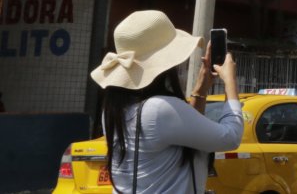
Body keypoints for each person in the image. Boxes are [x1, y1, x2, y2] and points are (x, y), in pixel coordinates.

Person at [90, 10, 243, 193]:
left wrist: (200, 90)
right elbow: (231, 137)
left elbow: (185, 133)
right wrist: (230, 82)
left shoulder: (114, 108)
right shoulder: (159, 109)